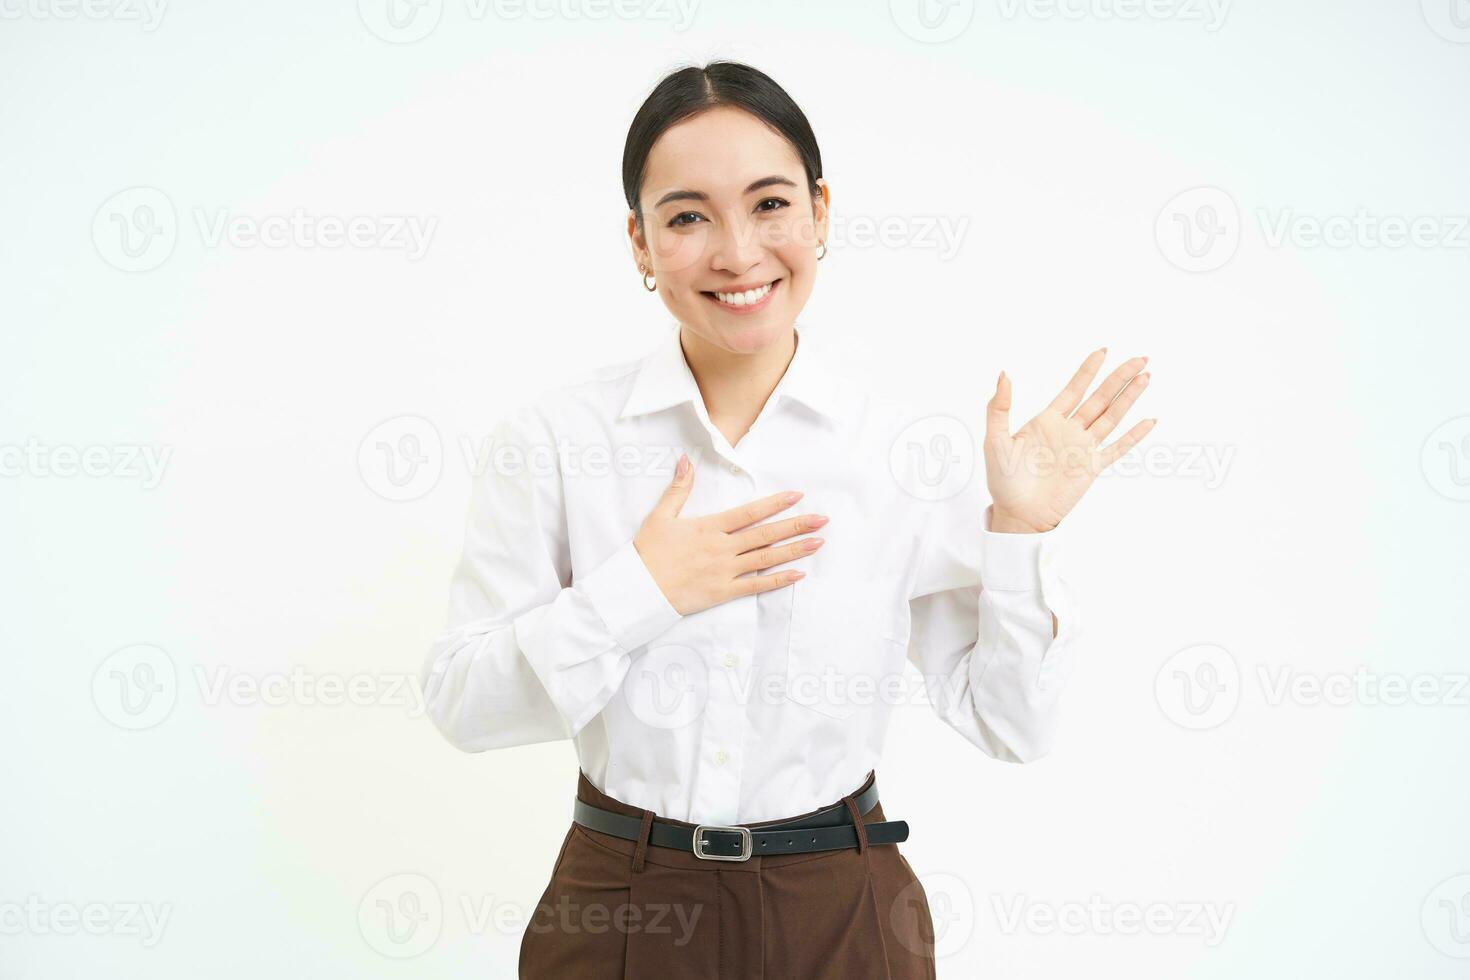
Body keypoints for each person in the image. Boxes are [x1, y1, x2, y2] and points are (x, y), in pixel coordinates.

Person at [419, 60, 1156, 979]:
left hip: (840, 912)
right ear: (640, 245)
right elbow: (464, 706)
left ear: (820, 212)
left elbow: (1013, 727)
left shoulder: (901, 454)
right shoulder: (553, 442)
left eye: (769, 204)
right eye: (687, 217)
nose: (737, 252)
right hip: (621, 906)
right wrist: (641, 590)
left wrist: (1019, 532)